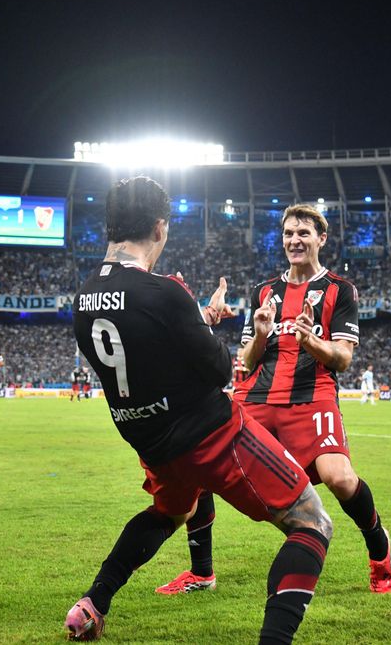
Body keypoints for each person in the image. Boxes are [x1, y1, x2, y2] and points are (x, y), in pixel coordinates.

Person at [64, 177, 334, 644]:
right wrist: (199, 321)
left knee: (172, 511)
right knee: (312, 523)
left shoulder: (84, 297)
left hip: (151, 442)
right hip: (213, 435)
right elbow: (218, 369)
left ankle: (92, 603)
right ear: (159, 228)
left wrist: (194, 320)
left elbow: (142, 350)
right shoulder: (165, 291)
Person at [158, 204, 391, 597]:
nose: (294, 240)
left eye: (303, 233)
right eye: (288, 234)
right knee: (200, 462)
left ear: (321, 239)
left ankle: (379, 547)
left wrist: (310, 341)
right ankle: (201, 572)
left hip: (312, 395)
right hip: (258, 397)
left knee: (339, 477)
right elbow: (248, 360)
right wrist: (262, 334)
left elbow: (343, 358)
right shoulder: (264, 292)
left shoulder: (340, 290)